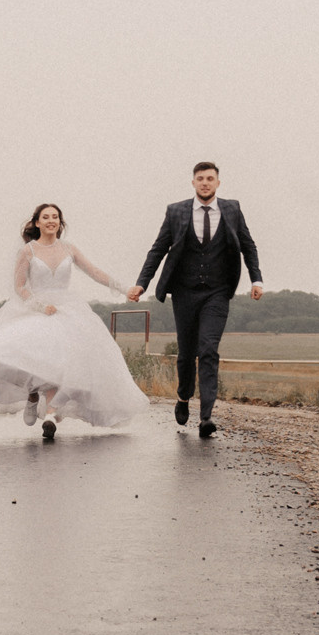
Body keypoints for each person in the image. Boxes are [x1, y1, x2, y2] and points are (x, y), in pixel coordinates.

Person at [0, 204, 142, 441]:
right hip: (36, 309)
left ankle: (52, 415)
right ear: (37, 223)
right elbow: (20, 287)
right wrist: (39, 306)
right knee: (31, 358)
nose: (51, 220)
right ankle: (32, 395)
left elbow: (95, 272)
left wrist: (125, 288)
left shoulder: (69, 249)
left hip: (67, 310)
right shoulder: (28, 251)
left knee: (61, 364)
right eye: (46, 217)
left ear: (60, 223)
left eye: (55, 217)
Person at [129, 163, 263, 440]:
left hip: (217, 291)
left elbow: (248, 245)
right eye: (200, 179)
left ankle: (206, 416)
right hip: (184, 292)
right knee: (187, 353)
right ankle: (183, 396)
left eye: (210, 179)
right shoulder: (176, 211)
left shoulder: (232, 209)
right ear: (193, 183)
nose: (205, 183)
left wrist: (256, 279)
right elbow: (158, 249)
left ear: (218, 182)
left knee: (209, 349)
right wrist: (142, 282)